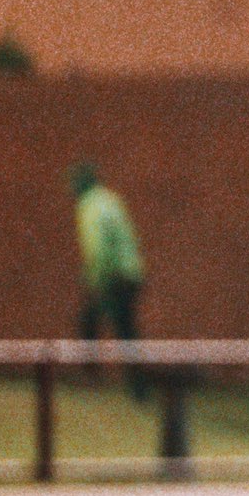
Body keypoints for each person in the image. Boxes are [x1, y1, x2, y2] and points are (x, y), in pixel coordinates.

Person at [70, 162, 146, 398]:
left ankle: (92, 378)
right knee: (126, 331)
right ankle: (139, 386)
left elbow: (97, 248)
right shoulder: (111, 199)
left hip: (112, 275)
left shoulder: (89, 206)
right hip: (131, 273)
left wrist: (95, 279)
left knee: (90, 322)